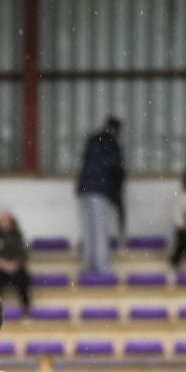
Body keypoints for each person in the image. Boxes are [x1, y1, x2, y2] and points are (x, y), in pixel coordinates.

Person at [74, 117, 124, 277]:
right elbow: (115, 168)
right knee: (100, 229)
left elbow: (87, 164)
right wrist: (117, 190)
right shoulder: (111, 144)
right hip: (100, 190)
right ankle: (101, 266)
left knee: (89, 228)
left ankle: (88, 264)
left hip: (85, 189)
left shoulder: (93, 140)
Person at [0, 212, 32, 309]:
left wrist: (16, 264)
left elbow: (24, 254)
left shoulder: (17, 235)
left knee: (24, 277)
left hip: (14, 268)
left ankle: (26, 307)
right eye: (2, 220)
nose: (4, 223)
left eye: (6, 220)